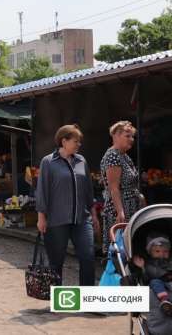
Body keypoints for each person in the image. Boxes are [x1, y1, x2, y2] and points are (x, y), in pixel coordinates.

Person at [35, 124, 97, 286]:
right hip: (57, 220)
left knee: (88, 257)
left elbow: (88, 190)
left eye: (79, 142)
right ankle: (58, 301)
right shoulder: (48, 162)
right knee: (56, 262)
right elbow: (42, 190)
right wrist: (41, 217)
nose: (79, 144)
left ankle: (88, 300)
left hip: (82, 219)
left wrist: (94, 215)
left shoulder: (81, 161)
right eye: (76, 141)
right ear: (64, 141)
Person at [100, 120, 143, 254]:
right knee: (120, 249)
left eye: (132, 136)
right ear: (116, 136)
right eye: (127, 136)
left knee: (129, 247)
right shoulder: (113, 156)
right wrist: (120, 212)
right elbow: (114, 188)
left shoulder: (124, 155)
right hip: (121, 208)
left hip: (131, 205)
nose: (131, 139)